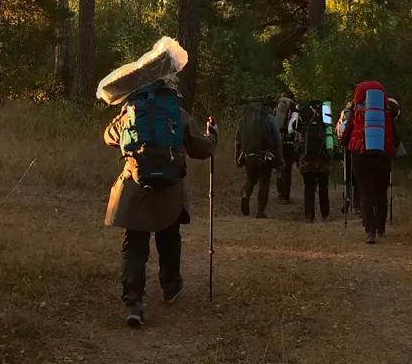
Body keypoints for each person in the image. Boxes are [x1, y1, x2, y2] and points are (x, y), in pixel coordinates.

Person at [103, 78, 217, 328]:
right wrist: (213, 135)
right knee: (169, 240)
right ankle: (170, 287)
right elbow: (201, 149)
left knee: (134, 246)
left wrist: (126, 118)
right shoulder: (179, 114)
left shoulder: (131, 111)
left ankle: (134, 302)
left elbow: (109, 137)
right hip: (169, 189)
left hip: (135, 188)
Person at [337, 81, 399, 244]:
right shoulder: (385, 114)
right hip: (383, 156)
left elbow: (344, 137)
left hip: (361, 155)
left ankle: (369, 230)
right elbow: (396, 139)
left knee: (365, 192)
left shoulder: (356, 113)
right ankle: (381, 227)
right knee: (380, 192)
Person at [235, 97, 283, 219]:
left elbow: (237, 139)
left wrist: (237, 155)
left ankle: (245, 194)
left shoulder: (243, 119)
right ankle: (260, 211)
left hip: (247, 154)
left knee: (250, 179)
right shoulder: (270, 119)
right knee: (264, 182)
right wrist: (279, 159)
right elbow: (277, 140)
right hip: (265, 156)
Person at [290, 100, 331, 223]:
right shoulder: (324, 119)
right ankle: (325, 214)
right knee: (324, 188)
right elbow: (330, 138)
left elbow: (294, 131)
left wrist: (296, 158)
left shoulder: (303, 119)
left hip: (307, 161)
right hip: (323, 160)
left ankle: (309, 216)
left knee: (309, 188)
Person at [274, 92, 298, 203]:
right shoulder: (294, 110)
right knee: (287, 169)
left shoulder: (277, 109)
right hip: (289, 143)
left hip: (278, 141)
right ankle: (285, 195)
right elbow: (295, 128)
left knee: (279, 166)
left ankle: (279, 191)